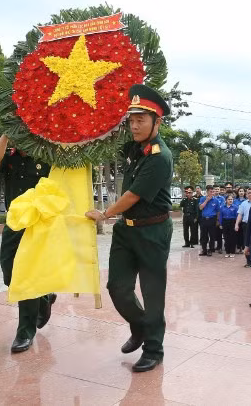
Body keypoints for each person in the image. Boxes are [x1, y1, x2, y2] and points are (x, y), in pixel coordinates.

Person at [85, 84, 173, 372]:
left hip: (152, 232)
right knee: (117, 287)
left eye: (141, 121)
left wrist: (105, 214)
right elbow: (103, 139)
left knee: (152, 291)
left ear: (157, 122)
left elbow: (133, 195)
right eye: (131, 121)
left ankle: (154, 350)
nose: (134, 126)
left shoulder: (159, 157)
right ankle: (140, 325)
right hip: (127, 231)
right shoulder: (135, 147)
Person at [0, 135, 56, 353]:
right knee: (9, 272)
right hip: (14, 223)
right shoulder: (9, 158)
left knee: (27, 276)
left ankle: (24, 333)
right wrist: (7, 134)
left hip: (37, 225)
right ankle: (44, 298)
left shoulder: (46, 158)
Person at [235, 187, 251, 268]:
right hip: (246, 225)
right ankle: (248, 261)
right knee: (246, 243)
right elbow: (240, 214)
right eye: (248, 193)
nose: (250, 194)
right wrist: (237, 224)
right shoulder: (243, 204)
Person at [198, 185, 221, 256]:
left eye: (213, 191)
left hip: (212, 219)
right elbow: (201, 208)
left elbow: (218, 211)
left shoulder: (216, 200)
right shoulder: (202, 198)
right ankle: (204, 250)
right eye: (211, 192)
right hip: (204, 219)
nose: (212, 193)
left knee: (212, 235)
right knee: (203, 236)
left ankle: (211, 249)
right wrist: (206, 200)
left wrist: (218, 220)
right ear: (207, 192)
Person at [234, 187, 247, 253]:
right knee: (237, 234)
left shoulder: (246, 201)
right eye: (240, 191)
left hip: (244, 220)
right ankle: (238, 247)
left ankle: (243, 247)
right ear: (238, 192)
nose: (241, 192)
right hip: (237, 219)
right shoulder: (235, 201)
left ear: (244, 192)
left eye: (242, 191)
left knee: (244, 235)